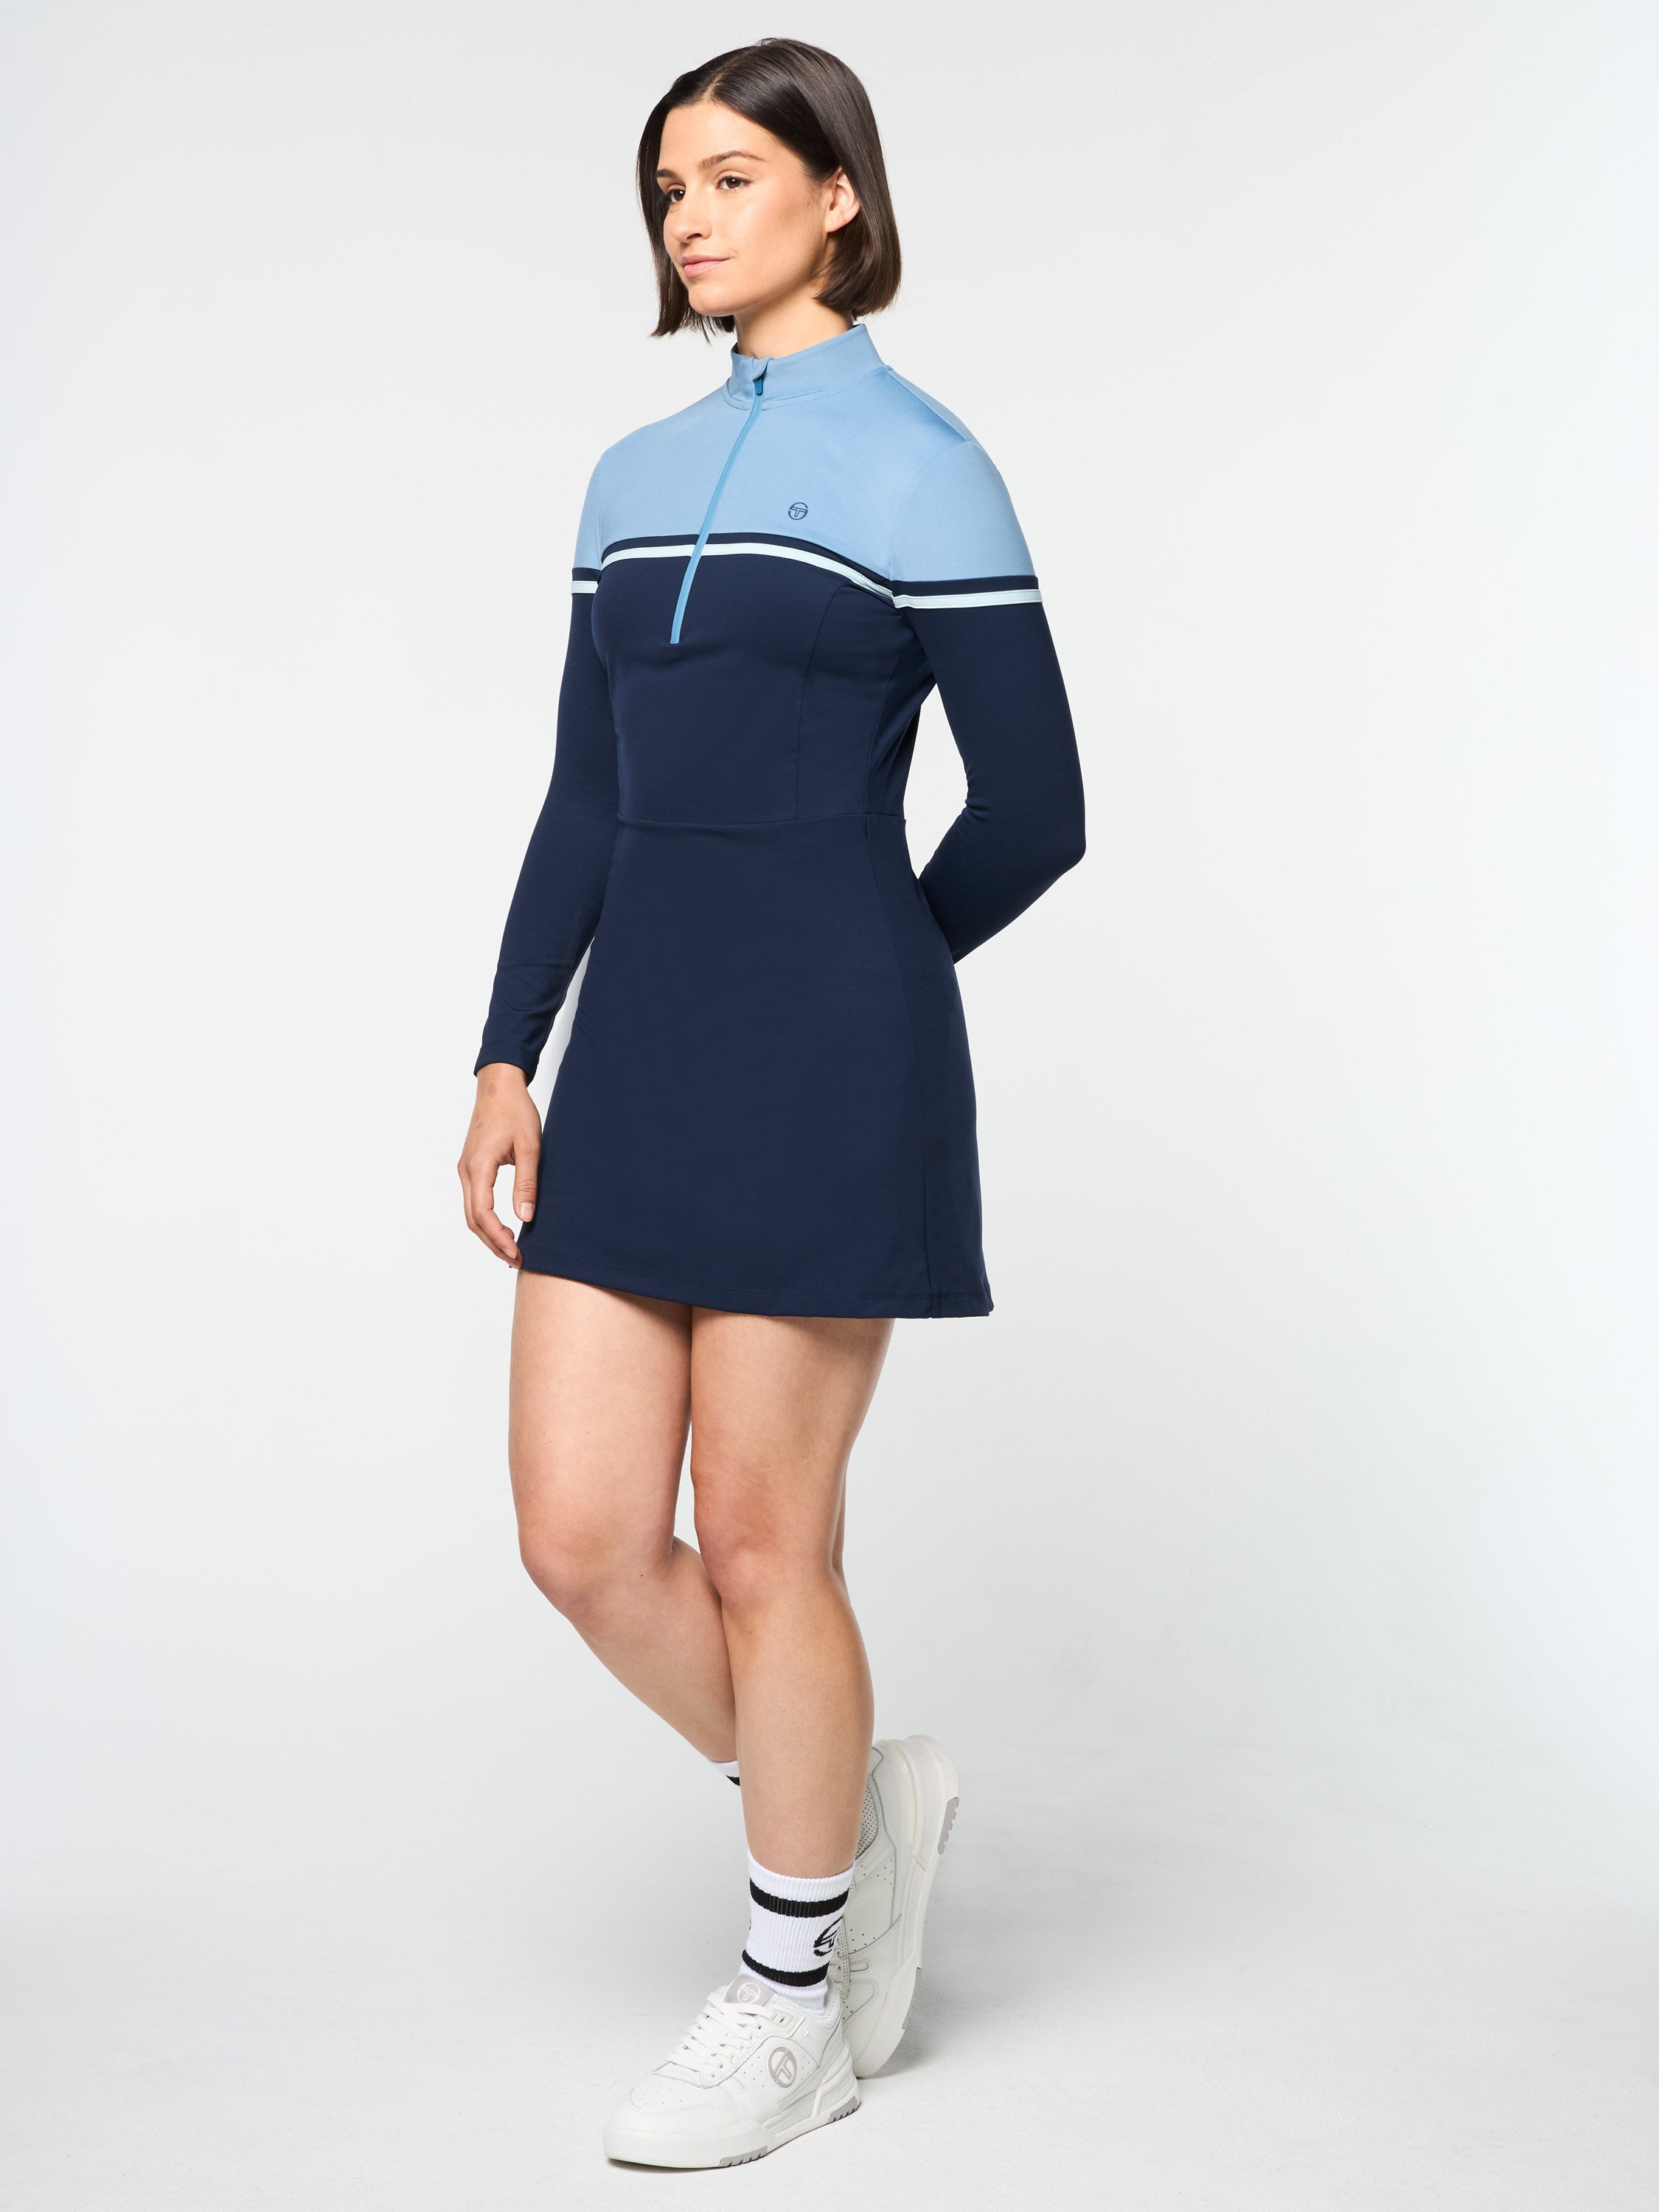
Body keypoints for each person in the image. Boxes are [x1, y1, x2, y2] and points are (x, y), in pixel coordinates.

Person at [458, 37, 1085, 2171]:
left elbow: (1036, 808)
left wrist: (866, 970)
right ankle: (847, 1820)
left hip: (826, 1065)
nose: (692, 217)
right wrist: (506, 1049)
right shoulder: (628, 473)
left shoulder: (928, 468)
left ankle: (792, 1992)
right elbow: (585, 795)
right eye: (669, 186)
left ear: (839, 197)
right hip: (633, 1061)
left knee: (757, 1542)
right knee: (578, 1539)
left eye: (733, 176)